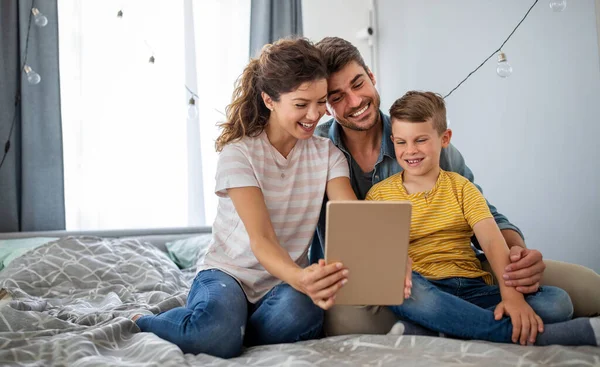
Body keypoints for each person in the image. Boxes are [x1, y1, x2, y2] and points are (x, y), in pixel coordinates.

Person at [312, 37, 600, 336]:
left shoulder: (426, 137)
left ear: (372, 76)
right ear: (325, 105)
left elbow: (489, 221)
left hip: (464, 270)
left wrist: (516, 257)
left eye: (358, 84)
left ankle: (448, 326)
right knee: (351, 318)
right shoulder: (317, 151)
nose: (355, 101)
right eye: (337, 96)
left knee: (581, 291)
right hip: (394, 285)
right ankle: (493, 329)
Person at [134, 38, 356, 358]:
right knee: (213, 335)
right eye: (301, 104)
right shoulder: (239, 153)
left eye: (321, 102)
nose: (314, 114)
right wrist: (301, 277)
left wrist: (381, 256)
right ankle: (146, 322)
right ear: (269, 99)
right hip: (229, 277)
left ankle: (232, 331)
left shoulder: (328, 156)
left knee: (306, 311)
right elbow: (262, 239)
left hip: (282, 285)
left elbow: (350, 215)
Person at [366, 91, 599, 346]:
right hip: (422, 287)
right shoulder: (379, 194)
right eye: (401, 142)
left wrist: (512, 297)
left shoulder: (462, 187)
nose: (410, 151)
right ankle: (540, 336)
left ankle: (440, 328)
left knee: (557, 302)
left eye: (421, 140)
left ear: (445, 138)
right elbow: (377, 252)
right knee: (402, 293)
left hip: (471, 287)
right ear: (393, 141)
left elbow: (491, 241)